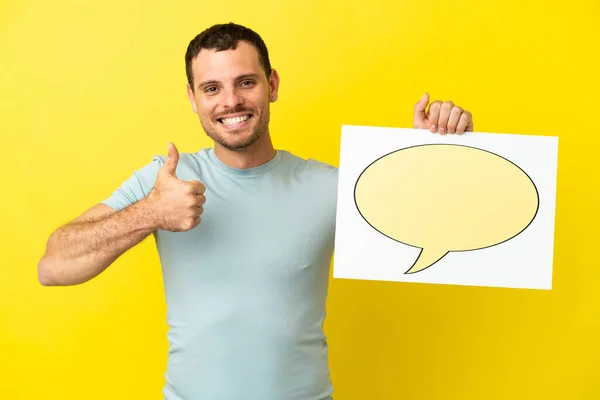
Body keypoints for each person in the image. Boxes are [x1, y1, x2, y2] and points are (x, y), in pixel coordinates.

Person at [38, 22, 473, 400]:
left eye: (246, 82)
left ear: (273, 85)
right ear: (193, 98)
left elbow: (432, 236)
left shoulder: (332, 185)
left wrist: (431, 153)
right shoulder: (165, 181)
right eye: (212, 88)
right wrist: (149, 213)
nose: (231, 101)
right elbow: (54, 266)